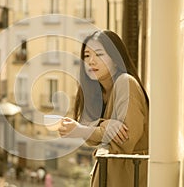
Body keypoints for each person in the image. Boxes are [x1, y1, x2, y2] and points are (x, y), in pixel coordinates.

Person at [58, 30, 149, 187]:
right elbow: (89, 131)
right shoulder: (97, 92)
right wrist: (106, 125)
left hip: (129, 179)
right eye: (87, 56)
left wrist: (82, 130)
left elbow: (125, 140)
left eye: (99, 54)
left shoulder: (125, 83)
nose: (91, 61)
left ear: (115, 58)